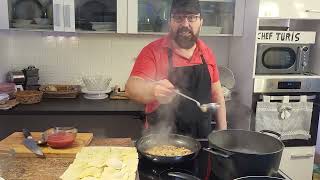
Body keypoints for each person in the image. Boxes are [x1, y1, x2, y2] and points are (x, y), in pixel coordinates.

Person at [125, 0, 226, 138]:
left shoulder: (206, 53)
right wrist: (153, 90)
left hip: (203, 142)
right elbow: (131, 88)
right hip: (161, 142)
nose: (185, 24)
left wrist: (222, 135)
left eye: (192, 17)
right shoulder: (153, 51)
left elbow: (217, 95)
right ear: (170, 22)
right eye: (178, 17)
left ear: (201, 22)